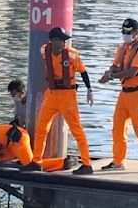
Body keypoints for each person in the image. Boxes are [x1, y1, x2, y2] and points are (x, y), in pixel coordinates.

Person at [24, 27, 94, 175]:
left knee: (77, 130)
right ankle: (36, 161)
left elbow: (83, 72)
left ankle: (87, 164)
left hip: (68, 96)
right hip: (51, 94)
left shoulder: (72, 55)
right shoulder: (44, 51)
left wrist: (89, 90)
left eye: (65, 40)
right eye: (62, 40)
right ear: (53, 41)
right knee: (41, 128)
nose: (65, 42)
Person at [98, 18, 138, 173]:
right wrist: (108, 73)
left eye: (128, 33)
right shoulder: (123, 47)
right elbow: (115, 65)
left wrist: (112, 77)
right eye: (123, 32)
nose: (125, 35)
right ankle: (118, 161)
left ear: (136, 32)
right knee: (118, 128)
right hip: (125, 93)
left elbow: (131, 71)